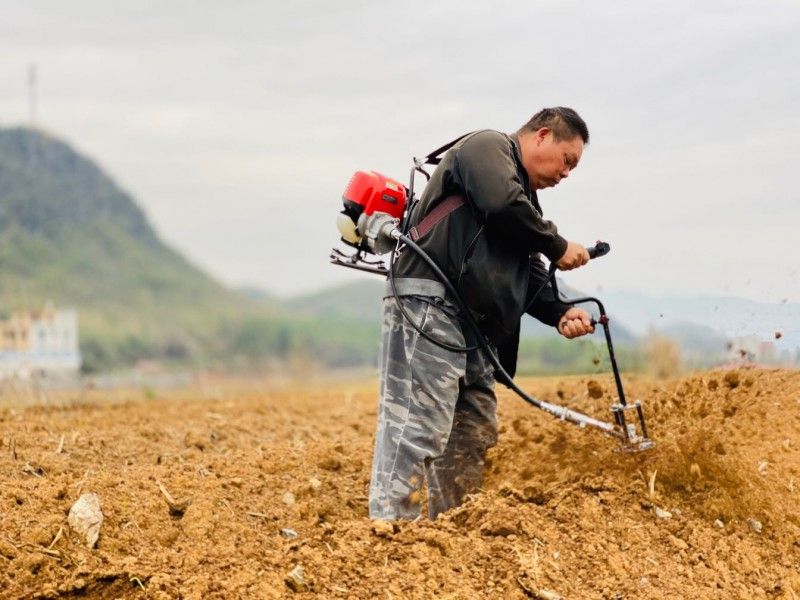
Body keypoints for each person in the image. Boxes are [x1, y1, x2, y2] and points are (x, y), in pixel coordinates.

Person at [369, 107, 596, 520]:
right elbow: (499, 203)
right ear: (542, 136)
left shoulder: (525, 203)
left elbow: (527, 268)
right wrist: (557, 244)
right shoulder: (488, 147)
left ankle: (450, 528)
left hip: (475, 327)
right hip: (431, 304)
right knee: (417, 425)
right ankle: (389, 535)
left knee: (473, 430)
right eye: (568, 161)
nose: (567, 174)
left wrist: (559, 311)